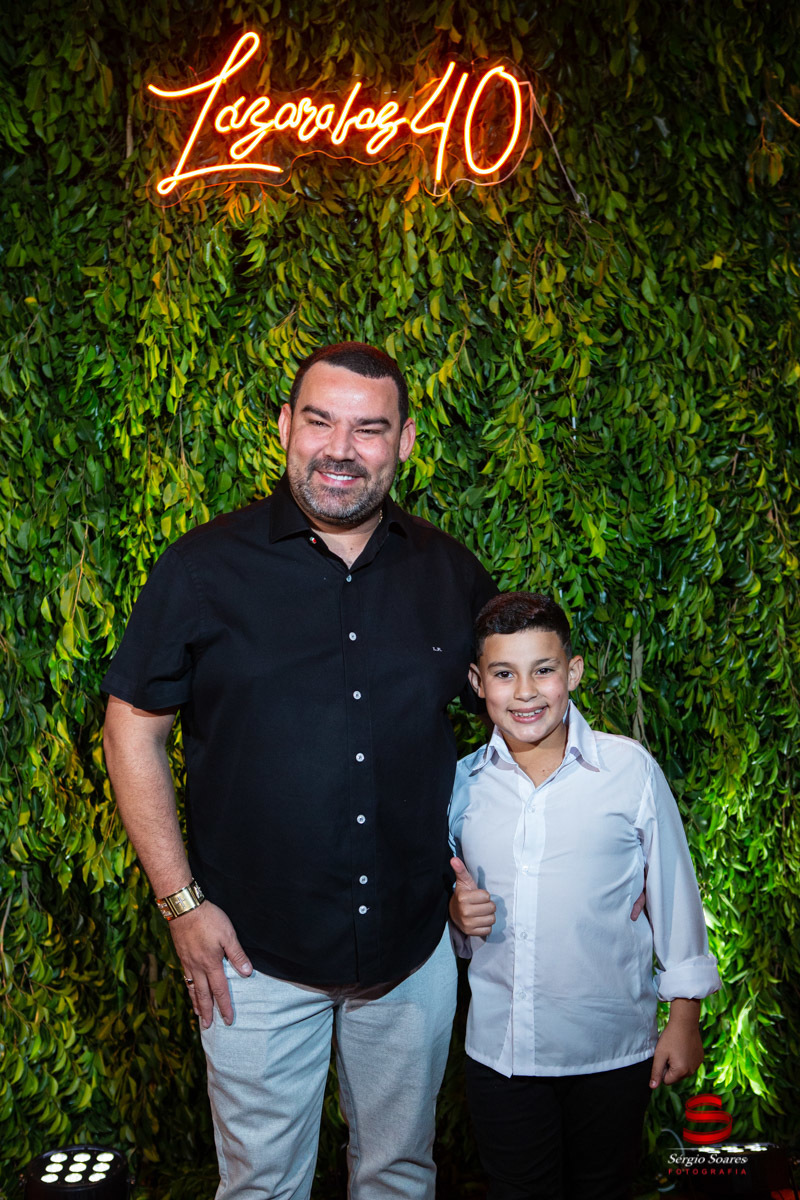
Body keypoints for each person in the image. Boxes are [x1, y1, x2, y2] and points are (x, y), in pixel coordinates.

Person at [101, 342, 497, 1200]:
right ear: (285, 426)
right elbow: (131, 731)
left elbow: (512, 727)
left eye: (369, 429)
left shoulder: (451, 573)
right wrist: (181, 904)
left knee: (401, 1176)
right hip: (253, 956)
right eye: (319, 422)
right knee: (261, 1187)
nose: (340, 449)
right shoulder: (203, 568)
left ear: (405, 441)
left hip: (412, 952)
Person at [448, 592, 721, 1200]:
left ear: (572, 672)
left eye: (543, 670)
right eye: (503, 674)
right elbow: (443, 900)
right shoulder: (463, 785)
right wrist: (454, 914)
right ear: (477, 682)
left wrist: (684, 1016)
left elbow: (674, 894)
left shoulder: (629, 770)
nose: (525, 692)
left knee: (605, 1188)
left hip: (611, 1050)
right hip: (502, 1053)